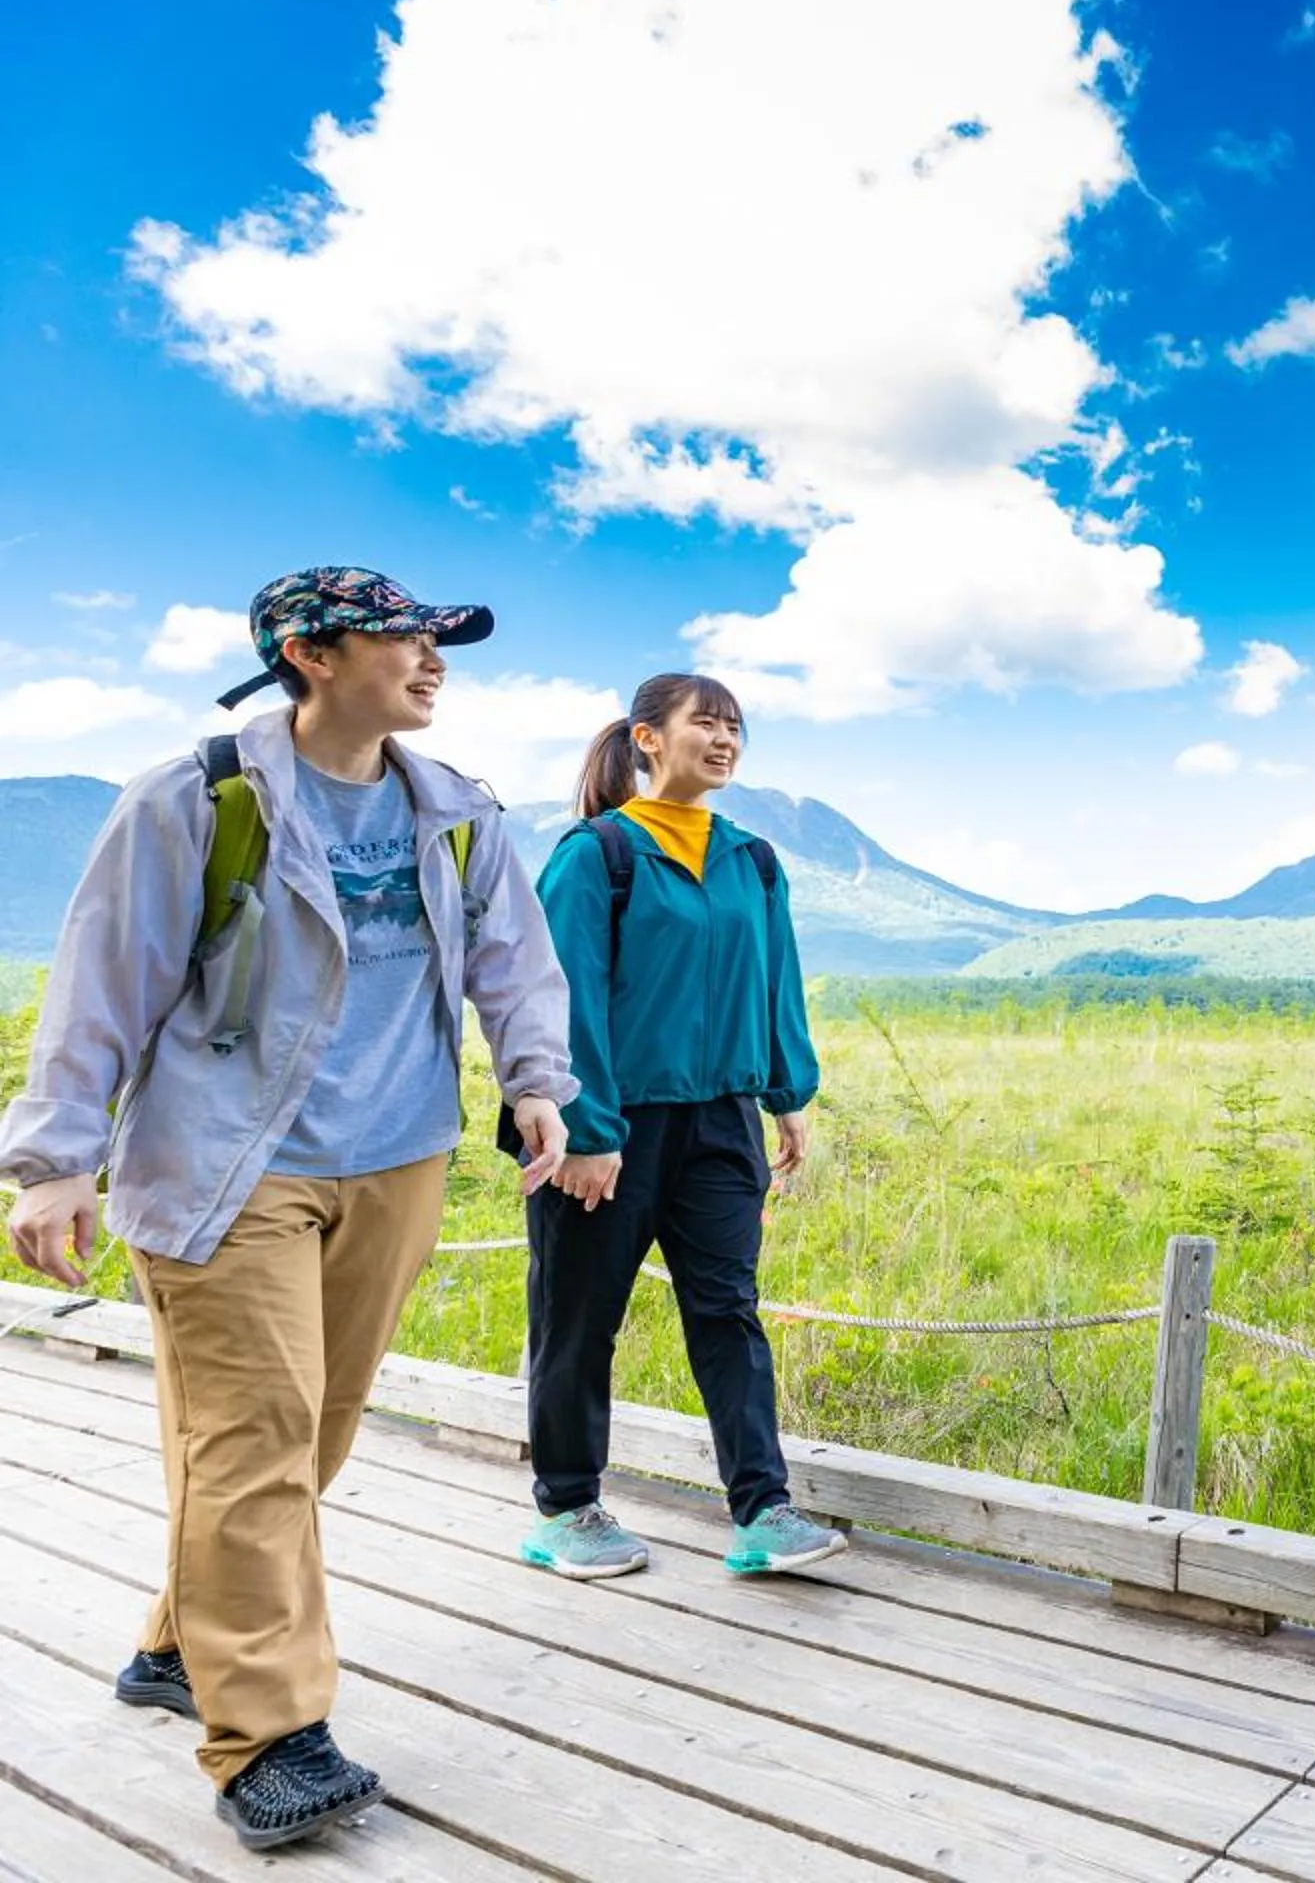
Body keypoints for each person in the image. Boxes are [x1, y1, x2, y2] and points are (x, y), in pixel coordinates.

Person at [0, 569, 576, 1852]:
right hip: (226, 1165)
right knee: (256, 1440)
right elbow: (102, 976)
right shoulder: (200, 799)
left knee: (309, 1437)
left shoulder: (459, 811)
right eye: (407, 638)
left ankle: (176, 1641)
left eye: (441, 640)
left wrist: (539, 1082)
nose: (434, 660)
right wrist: (53, 1155)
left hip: (396, 1158)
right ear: (310, 655)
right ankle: (268, 1733)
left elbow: (513, 962)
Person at [517, 671, 843, 1582]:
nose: (726, 739)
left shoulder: (754, 860)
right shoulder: (598, 854)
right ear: (648, 737)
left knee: (728, 1312)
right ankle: (568, 1508)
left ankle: (763, 1510)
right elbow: (561, 997)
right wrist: (585, 1129)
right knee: (579, 1317)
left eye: (736, 726)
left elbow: (776, 978)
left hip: (721, 1124)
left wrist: (787, 1092)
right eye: (707, 722)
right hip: (612, 1125)